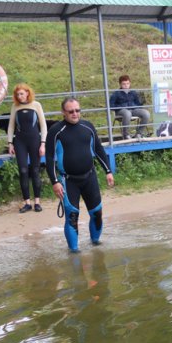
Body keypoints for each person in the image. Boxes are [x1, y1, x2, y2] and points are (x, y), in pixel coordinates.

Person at [46, 97, 115, 252]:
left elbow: (98, 150)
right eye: (71, 111)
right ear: (63, 112)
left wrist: (108, 171)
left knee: (97, 213)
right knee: (72, 217)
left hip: (89, 177)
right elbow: (49, 158)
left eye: (78, 110)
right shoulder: (56, 130)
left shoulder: (87, 127)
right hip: (68, 180)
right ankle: (74, 252)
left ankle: (96, 245)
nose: (75, 114)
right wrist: (55, 181)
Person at [7, 83, 48, 213]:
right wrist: (10, 143)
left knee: (35, 170)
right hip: (20, 141)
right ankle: (27, 203)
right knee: (23, 170)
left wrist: (43, 143)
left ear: (27, 93)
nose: (19, 97)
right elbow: (11, 126)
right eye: (17, 94)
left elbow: (43, 125)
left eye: (22, 94)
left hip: (35, 140)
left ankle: (37, 202)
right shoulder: (15, 106)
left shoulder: (36, 105)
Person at [109, 74, 150, 140]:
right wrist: (122, 106)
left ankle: (139, 133)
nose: (126, 86)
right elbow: (111, 106)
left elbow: (139, 104)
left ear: (130, 83)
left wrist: (141, 100)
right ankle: (126, 135)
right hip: (121, 111)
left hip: (133, 109)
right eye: (124, 84)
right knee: (127, 113)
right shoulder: (116, 94)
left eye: (128, 84)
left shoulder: (133, 92)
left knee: (146, 113)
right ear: (120, 84)